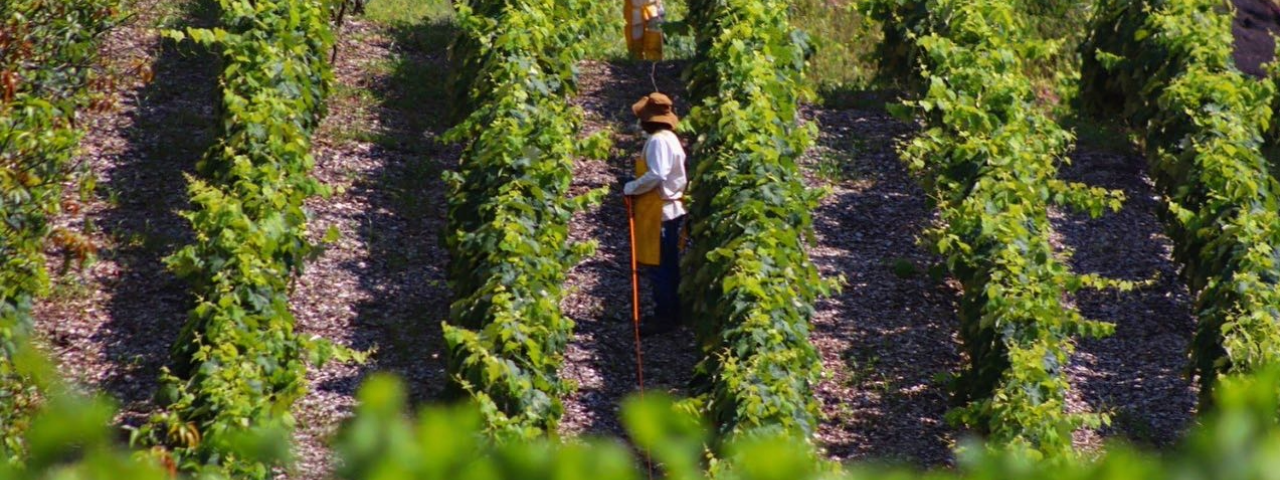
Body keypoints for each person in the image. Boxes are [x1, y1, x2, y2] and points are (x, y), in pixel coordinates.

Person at [625, 92, 686, 336]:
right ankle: (672, 312)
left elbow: (658, 174)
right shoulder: (670, 138)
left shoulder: (659, 141)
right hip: (667, 208)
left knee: (659, 265)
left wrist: (631, 187)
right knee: (669, 265)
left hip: (660, 210)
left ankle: (665, 316)